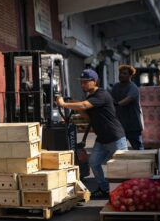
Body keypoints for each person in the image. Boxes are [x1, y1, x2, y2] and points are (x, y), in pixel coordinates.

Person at [56, 69, 126, 199]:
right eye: (81, 82)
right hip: (102, 138)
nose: (82, 85)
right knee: (94, 162)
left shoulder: (102, 95)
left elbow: (83, 105)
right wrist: (71, 104)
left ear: (94, 82)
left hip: (114, 137)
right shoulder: (91, 97)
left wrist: (64, 104)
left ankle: (125, 192)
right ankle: (105, 189)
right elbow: (87, 115)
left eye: (85, 82)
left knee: (121, 167)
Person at [111, 65, 144, 150]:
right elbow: (110, 99)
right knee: (119, 148)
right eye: (120, 73)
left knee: (138, 148)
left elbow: (128, 99)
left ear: (130, 76)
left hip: (133, 124)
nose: (121, 75)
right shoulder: (115, 87)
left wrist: (117, 104)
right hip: (120, 124)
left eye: (124, 73)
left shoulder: (133, 87)